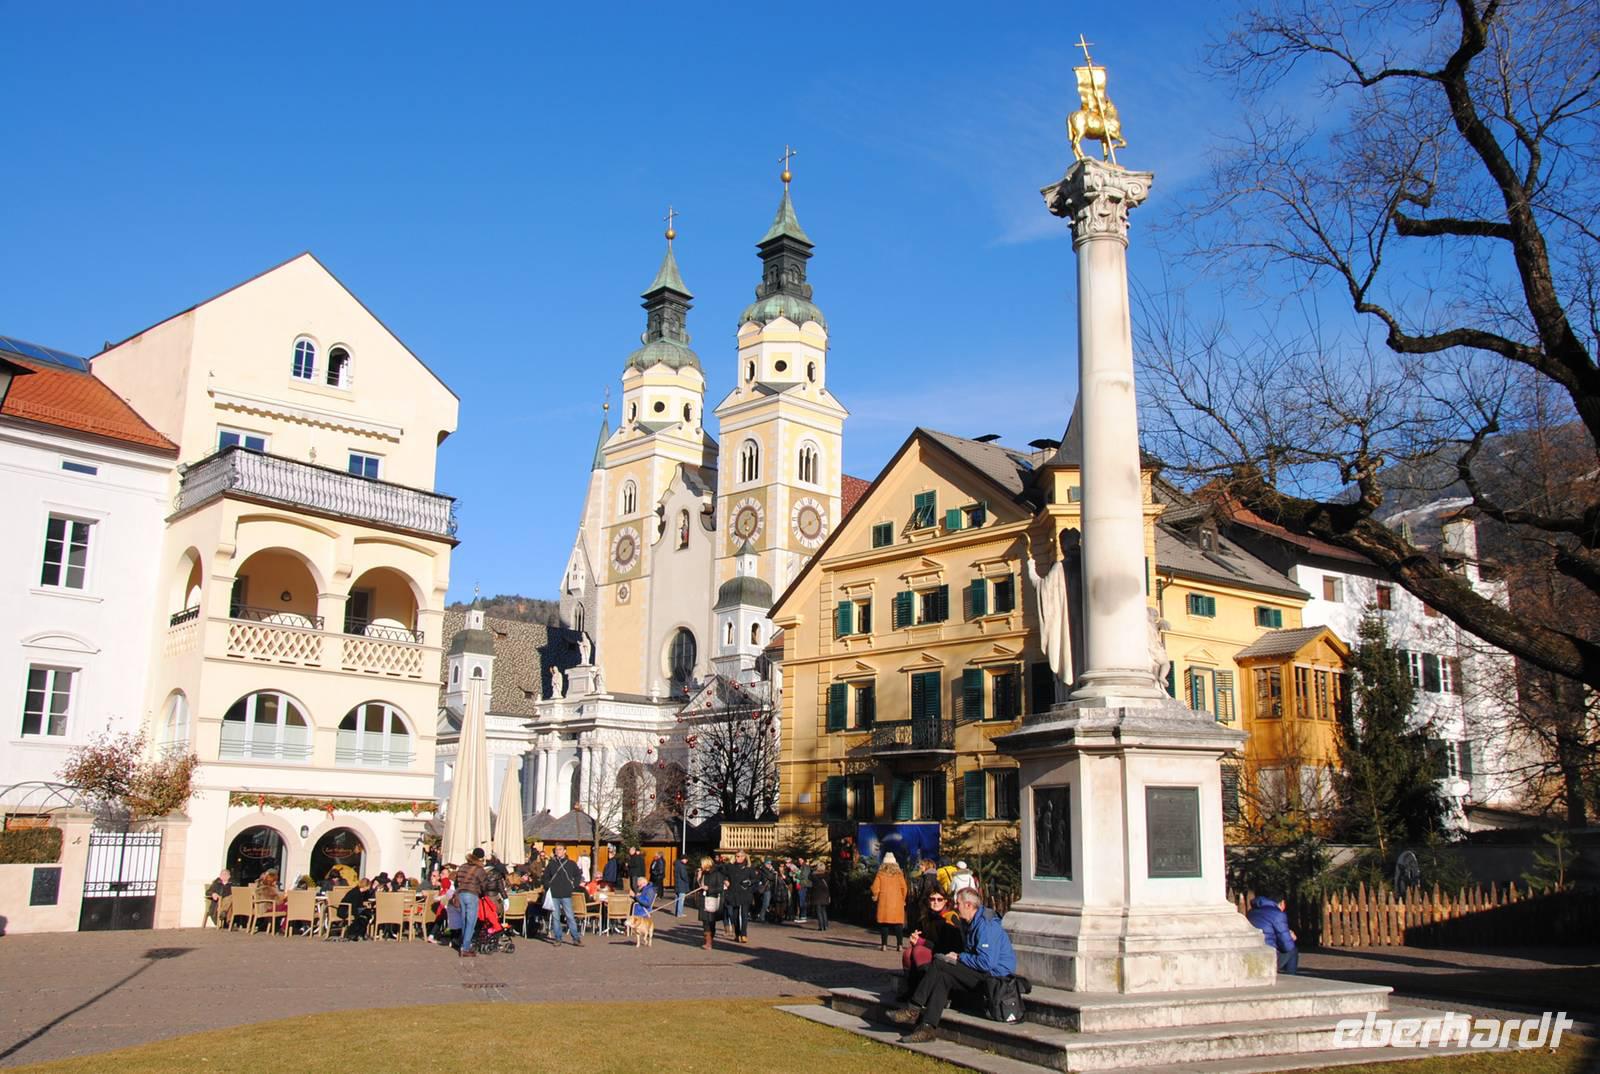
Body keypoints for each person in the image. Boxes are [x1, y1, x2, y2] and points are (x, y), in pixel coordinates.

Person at [889, 887, 1017, 1043]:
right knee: (943, 975)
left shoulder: (986, 926)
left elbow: (986, 963)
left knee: (940, 964)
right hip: (982, 973)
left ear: (968, 905)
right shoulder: (970, 922)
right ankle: (927, 1028)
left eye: (958, 903)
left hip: (995, 979)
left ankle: (913, 1009)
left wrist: (960, 957)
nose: (955, 907)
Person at [902, 888, 964, 997]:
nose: (936, 902)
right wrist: (915, 939)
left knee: (919, 951)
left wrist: (922, 942)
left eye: (939, 899)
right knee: (908, 953)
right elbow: (921, 938)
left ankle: (925, 993)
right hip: (931, 950)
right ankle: (912, 990)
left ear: (945, 901)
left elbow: (949, 947)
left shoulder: (950, 918)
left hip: (948, 955)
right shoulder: (926, 916)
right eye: (932, 899)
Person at [541, 844, 584, 946]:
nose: (558, 851)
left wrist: (573, 885)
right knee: (556, 917)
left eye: (560, 849)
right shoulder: (551, 864)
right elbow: (545, 877)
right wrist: (548, 886)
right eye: (556, 850)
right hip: (554, 894)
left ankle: (576, 938)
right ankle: (558, 938)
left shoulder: (571, 864)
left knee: (570, 916)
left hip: (566, 894)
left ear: (565, 851)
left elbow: (578, 875)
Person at [1246, 894, 1299, 974]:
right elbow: (1287, 946)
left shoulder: (1251, 912)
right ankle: (1291, 977)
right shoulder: (1278, 914)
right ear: (1282, 903)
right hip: (1268, 956)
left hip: (1251, 953)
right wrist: (1290, 937)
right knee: (1292, 950)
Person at [453, 849, 491, 958]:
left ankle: (463, 944)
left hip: (461, 895)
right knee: (471, 922)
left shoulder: (462, 867)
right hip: (472, 895)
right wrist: (483, 893)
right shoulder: (479, 870)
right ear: (481, 858)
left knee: (464, 920)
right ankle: (465, 948)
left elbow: (456, 883)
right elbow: (485, 885)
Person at [870, 853, 909, 951]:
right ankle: (899, 945)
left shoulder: (880, 874)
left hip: (884, 902)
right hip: (897, 902)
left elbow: (875, 887)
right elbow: (904, 888)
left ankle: (884, 945)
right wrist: (903, 899)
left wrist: (876, 895)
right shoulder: (899, 874)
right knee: (898, 924)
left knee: (884, 924)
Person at [696, 855, 726, 951]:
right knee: (705, 922)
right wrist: (698, 878)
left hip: (712, 900)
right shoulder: (703, 873)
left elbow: (720, 888)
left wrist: (709, 889)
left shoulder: (717, 874)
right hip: (703, 900)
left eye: (702, 864)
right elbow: (698, 886)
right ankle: (707, 942)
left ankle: (710, 940)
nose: (700, 865)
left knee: (711, 922)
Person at [724, 850, 754, 944]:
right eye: (736, 856)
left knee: (744, 914)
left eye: (739, 856)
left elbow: (755, 879)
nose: (737, 858)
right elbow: (723, 873)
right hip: (734, 892)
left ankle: (744, 934)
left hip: (745, 892)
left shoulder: (749, 868)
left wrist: (749, 882)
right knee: (734, 915)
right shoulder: (731, 866)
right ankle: (737, 934)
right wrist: (725, 880)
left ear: (744, 857)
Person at [809, 866, 832, 931]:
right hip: (825, 895)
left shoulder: (814, 876)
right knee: (824, 911)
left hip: (817, 896)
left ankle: (821, 926)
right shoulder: (826, 876)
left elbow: (809, 876)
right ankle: (825, 925)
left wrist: (814, 870)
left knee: (819, 911)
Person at [794, 857, 812, 923]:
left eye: (801, 860)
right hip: (803, 885)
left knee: (802, 901)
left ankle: (803, 916)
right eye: (798, 860)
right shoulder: (803, 866)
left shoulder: (805, 867)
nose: (799, 861)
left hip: (804, 885)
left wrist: (796, 875)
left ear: (803, 860)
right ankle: (802, 916)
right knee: (801, 901)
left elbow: (803, 876)